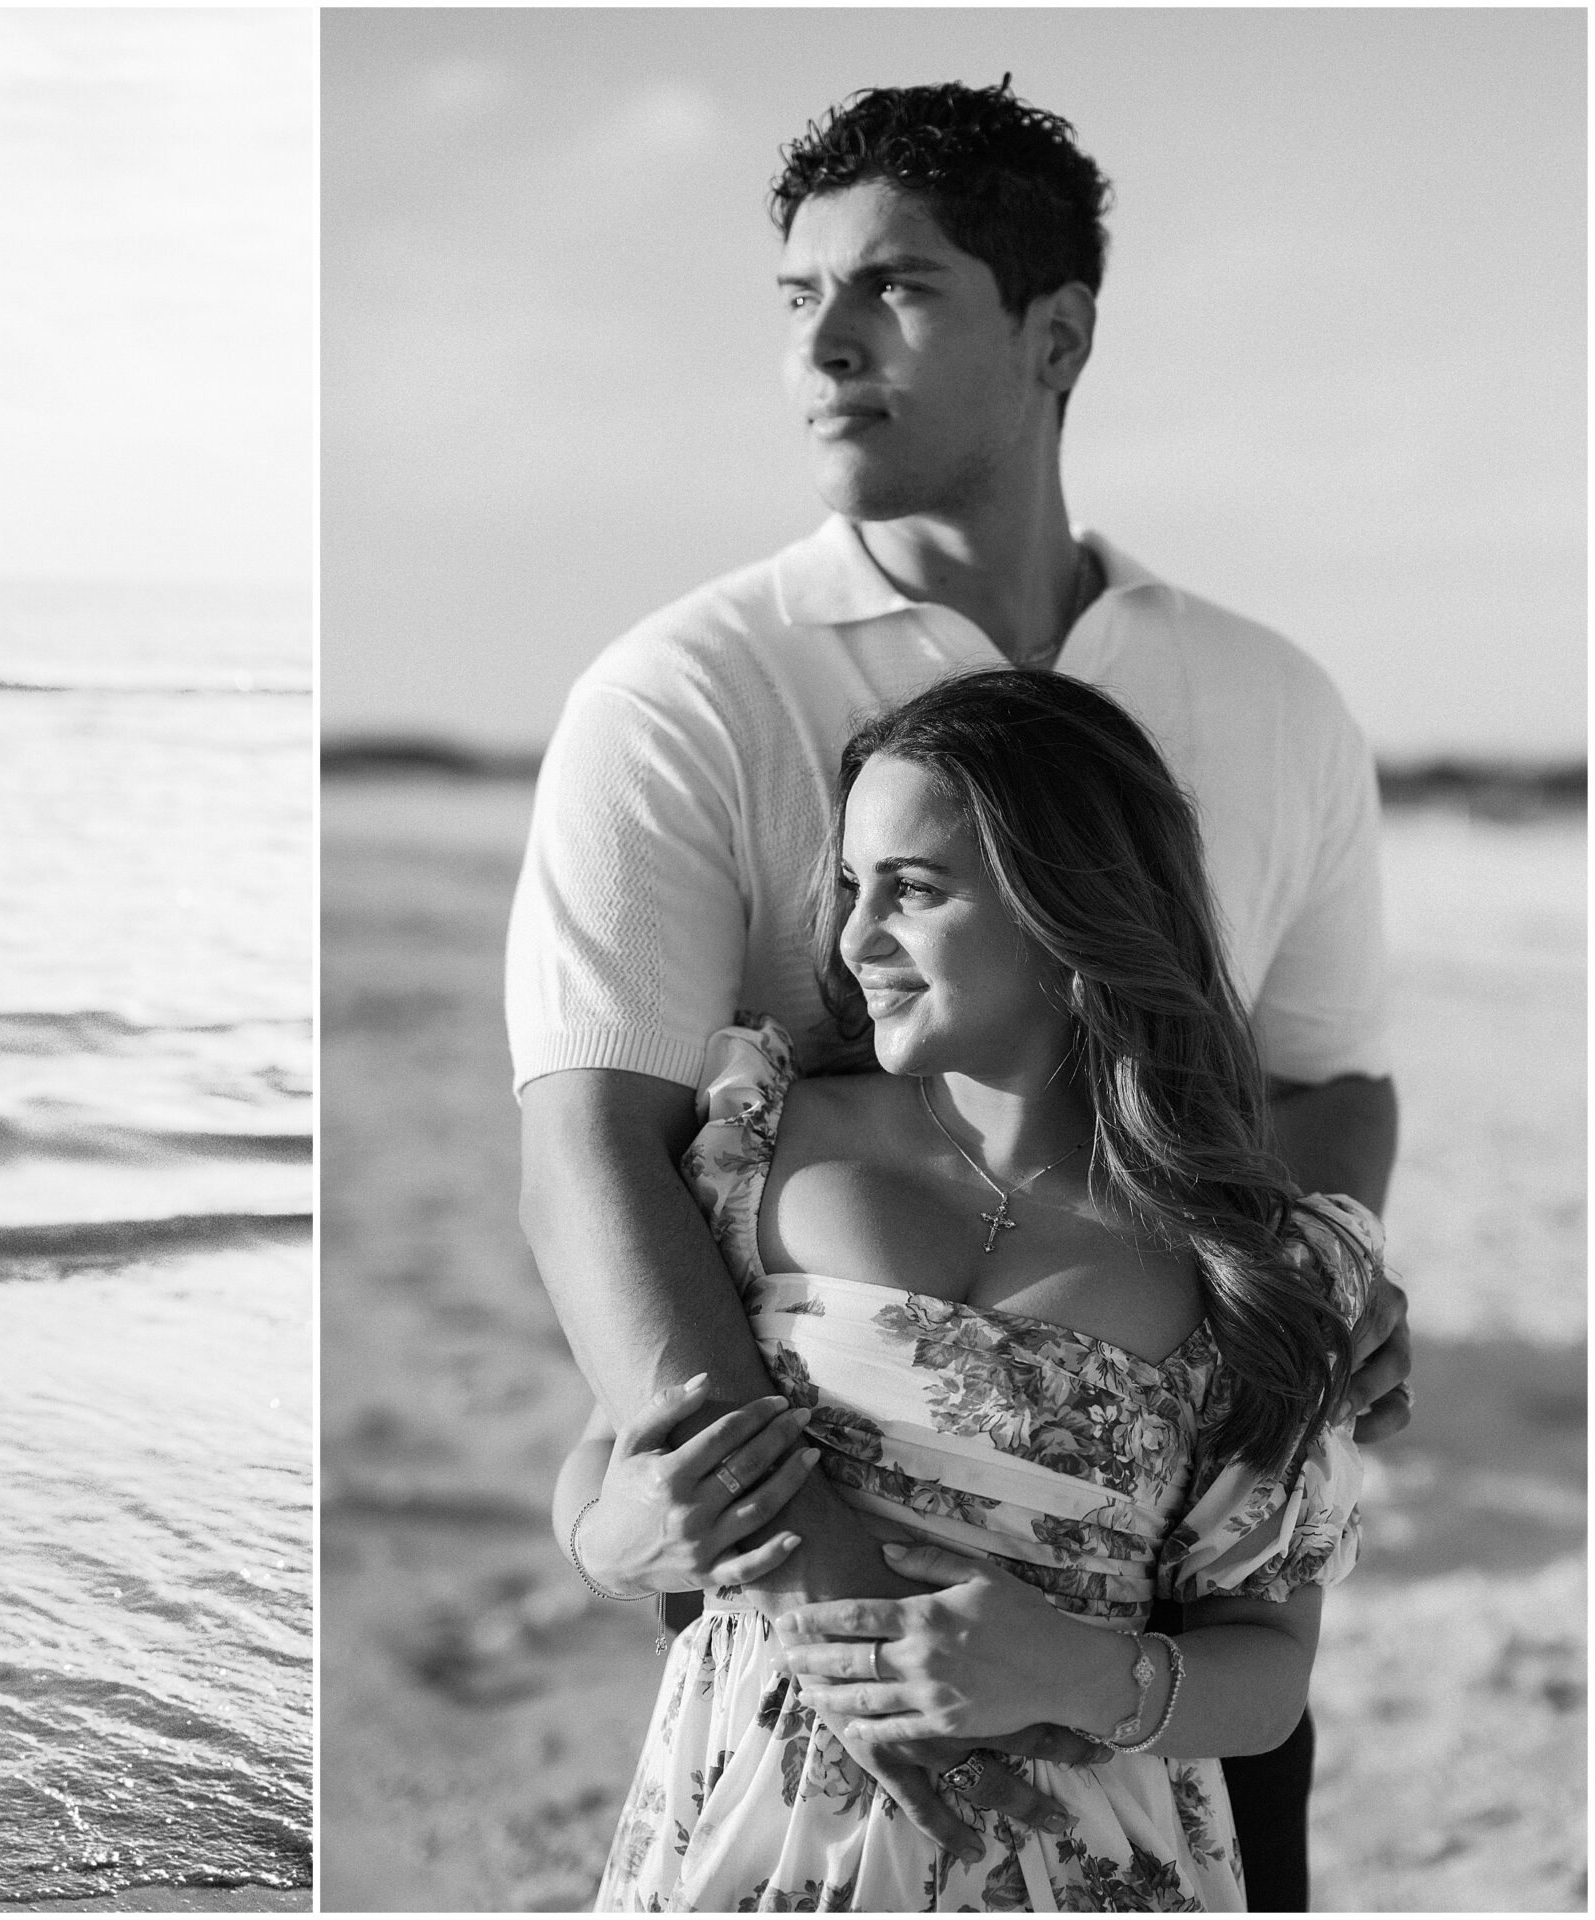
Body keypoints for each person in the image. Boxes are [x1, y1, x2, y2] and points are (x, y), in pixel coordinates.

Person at [505, 81, 1409, 1904]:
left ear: (1056, 332)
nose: (823, 346)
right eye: (794, 299)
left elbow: (1328, 1083)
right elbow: (596, 1131)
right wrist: (831, 1591)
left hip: (1150, 1579)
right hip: (805, 1610)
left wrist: (1269, 1348)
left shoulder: (1274, 698)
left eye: (897, 288)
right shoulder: (683, 689)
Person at [558, 670, 1377, 1909]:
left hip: (1073, 1867)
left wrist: (1075, 1674)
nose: (852, 938)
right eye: (850, 887)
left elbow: (1266, 1675)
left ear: (1070, 905)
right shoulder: (757, 1144)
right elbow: (603, 1467)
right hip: (737, 1841)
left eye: (914, 889)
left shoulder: (1244, 1264)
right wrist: (617, 1538)